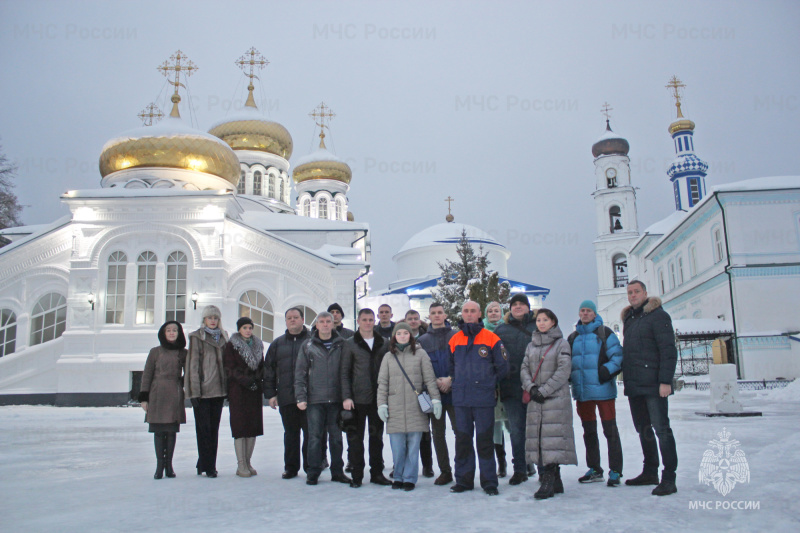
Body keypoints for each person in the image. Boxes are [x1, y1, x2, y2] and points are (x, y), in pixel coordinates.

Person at [621, 281, 679, 496]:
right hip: (635, 385)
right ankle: (650, 471)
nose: (633, 295)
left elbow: (668, 350)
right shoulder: (630, 318)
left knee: (661, 430)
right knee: (643, 430)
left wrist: (665, 381)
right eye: (630, 292)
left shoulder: (658, 316)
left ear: (645, 293)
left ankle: (669, 477)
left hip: (654, 385)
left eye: (637, 291)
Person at [447, 300, 509, 496]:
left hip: (483, 399)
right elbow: (450, 367)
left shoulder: (491, 338)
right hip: (461, 400)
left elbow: (503, 367)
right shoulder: (454, 339)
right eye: (466, 311)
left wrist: (489, 383)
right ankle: (464, 480)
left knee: (484, 441)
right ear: (462, 313)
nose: (469, 314)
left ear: (479, 313)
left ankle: (489, 481)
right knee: (463, 441)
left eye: (473, 311)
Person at [377, 322, 442, 491]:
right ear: (394, 337)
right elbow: (383, 383)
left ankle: (410, 478)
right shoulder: (388, 357)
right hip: (395, 408)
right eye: (399, 334)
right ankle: (398, 476)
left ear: (410, 336)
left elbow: (429, 379)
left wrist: (435, 400)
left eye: (406, 333)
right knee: (398, 448)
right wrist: (382, 404)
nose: (403, 336)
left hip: (415, 408)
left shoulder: (420, 354)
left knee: (413, 447)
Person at [521, 308, 577, 500]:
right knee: (538, 438)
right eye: (539, 320)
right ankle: (555, 479)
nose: (541, 323)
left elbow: (564, 370)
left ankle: (548, 478)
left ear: (553, 322)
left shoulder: (561, 344)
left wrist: (544, 391)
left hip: (554, 400)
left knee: (551, 439)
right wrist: (531, 388)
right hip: (536, 399)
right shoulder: (531, 346)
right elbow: (524, 368)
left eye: (545, 320)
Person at [568, 300, 624, 487]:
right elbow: (567, 361)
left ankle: (615, 470)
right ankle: (595, 469)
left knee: (610, 431)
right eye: (582, 310)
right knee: (589, 432)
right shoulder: (573, 337)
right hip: (583, 393)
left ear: (594, 313)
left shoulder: (605, 333)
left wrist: (606, 371)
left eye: (588, 311)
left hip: (603, 391)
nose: (585, 314)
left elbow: (618, 357)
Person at [295, 311, 351, 485]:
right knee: (314, 438)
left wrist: (347, 396)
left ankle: (337, 471)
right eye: (322, 322)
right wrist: (300, 396)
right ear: (316, 325)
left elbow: (347, 371)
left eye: (329, 321)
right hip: (315, 400)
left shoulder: (342, 344)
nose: (326, 324)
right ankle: (313, 472)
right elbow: (300, 373)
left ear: (333, 324)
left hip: (335, 399)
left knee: (336, 438)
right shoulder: (308, 345)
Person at [341, 308, 392, 487]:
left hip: (377, 398)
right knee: (355, 440)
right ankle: (357, 474)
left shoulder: (383, 342)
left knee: (376, 439)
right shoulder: (349, 343)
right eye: (365, 320)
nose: (368, 323)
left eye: (371, 319)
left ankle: (377, 473)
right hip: (356, 399)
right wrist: (346, 396)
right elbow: (344, 372)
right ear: (358, 321)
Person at [495, 293, 537, 486]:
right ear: (510, 308)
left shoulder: (538, 326)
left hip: (535, 388)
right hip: (511, 387)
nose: (518, 307)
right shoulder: (501, 330)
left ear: (528, 307)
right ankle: (520, 469)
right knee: (517, 430)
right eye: (515, 304)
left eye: (522, 304)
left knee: (537, 429)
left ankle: (543, 467)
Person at [264, 307, 311, 479]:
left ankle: (310, 466)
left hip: (309, 397)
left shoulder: (312, 341)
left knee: (310, 434)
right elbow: (268, 370)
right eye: (289, 318)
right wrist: (271, 394)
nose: (292, 320)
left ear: (302, 319)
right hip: (286, 396)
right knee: (291, 434)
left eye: (296, 317)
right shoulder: (277, 344)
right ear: (285, 321)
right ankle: (291, 468)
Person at [139, 321, 187, 479]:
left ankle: (169, 465)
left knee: (171, 431)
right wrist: (144, 397)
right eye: (169, 330)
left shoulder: (183, 352)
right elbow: (147, 375)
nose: (172, 333)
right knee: (159, 432)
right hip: (157, 393)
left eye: (175, 330)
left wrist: (183, 383)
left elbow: (190, 372)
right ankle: (159, 465)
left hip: (174, 392)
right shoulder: (155, 352)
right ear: (163, 333)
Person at [185, 305, 229, 478]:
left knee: (214, 429)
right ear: (204, 320)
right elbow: (192, 366)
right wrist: (194, 392)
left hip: (218, 391)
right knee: (204, 430)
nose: (212, 321)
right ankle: (209, 467)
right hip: (203, 392)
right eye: (209, 318)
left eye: (215, 318)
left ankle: (204, 461)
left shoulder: (224, 338)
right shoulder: (197, 338)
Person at [417, 302, 457, 486]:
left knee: (460, 432)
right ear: (429, 316)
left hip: (455, 392)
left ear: (445, 314)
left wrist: (450, 378)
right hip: (434, 395)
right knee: (438, 434)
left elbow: (462, 362)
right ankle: (445, 471)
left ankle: (463, 468)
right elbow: (421, 368)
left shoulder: (456, 336)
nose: (437, 315)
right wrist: (434, 383)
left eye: (440, 312)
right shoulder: (423, 340)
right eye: (433, 313)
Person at [224, 317, 265, 478]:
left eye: (250, 327)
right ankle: (241, 464)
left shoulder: (257, 344)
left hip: (254, 391)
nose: (248, 330)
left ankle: (248, 462)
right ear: (239, 329)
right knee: (240, 427)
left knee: (252, 427)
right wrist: (246, 381)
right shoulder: (232, 345)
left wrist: (258, 380)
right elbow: (230, 368)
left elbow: (262, 365)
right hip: (238, 390)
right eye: (245, 327)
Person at [404, 308, 432, 477]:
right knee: (404, 431)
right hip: (404, 391)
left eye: (415, 318)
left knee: (424, 431)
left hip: (422, 391)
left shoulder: (426, 338)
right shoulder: (399, 337)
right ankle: (402, 464)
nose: (413, 321)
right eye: (410, 318)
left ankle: (427, 465)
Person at [483, 301, 508, 478]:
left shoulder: (507, 330)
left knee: (513, 424)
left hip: (507, 383)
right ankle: (501, 462)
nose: (493, 313)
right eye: (490, 311)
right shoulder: (483, 332)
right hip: (490, 386)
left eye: (496, 311)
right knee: (495, 426)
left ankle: (525, 462)